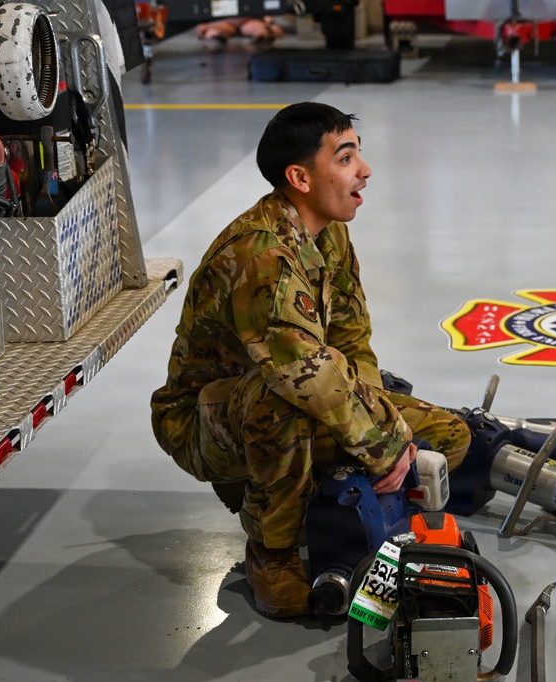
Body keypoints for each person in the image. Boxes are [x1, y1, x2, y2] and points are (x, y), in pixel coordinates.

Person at [150, 102, 471, 620]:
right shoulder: (262, 256)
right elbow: (301, 373)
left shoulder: (329, 231)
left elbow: (352, 339)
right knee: (292, 403)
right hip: (209, 421)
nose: (364, 170)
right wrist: (384, 445)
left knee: (450, 437)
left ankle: (319, 498)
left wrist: (380, 425)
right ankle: (272, 548)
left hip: (287, 393)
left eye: (358, 154)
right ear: (299, 178)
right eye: (345, 159)